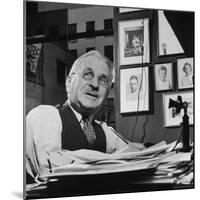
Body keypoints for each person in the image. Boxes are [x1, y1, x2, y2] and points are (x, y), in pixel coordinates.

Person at [26, 50, 144, 178]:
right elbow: (48, 166)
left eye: (103, 80)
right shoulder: (45, 116)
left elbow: (135, 155)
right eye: (87, 74)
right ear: (69, 82)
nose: (94, 84)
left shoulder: (105, 131)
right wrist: (111, 159)